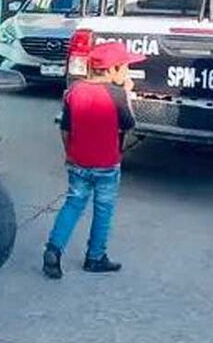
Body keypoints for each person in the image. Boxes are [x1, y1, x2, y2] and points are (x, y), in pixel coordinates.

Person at [42, 41, 143, 280]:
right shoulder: (117, 93)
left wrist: (70, 152)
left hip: (78, 161)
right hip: (107, 164)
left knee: (72, 205)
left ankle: (53, 250)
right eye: (125, 67)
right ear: (113, 69)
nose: (127, 72)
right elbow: (130, 124)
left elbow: (65, 128)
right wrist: (127, 93)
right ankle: (95, 256)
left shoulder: (74, 91)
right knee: (103, 209)